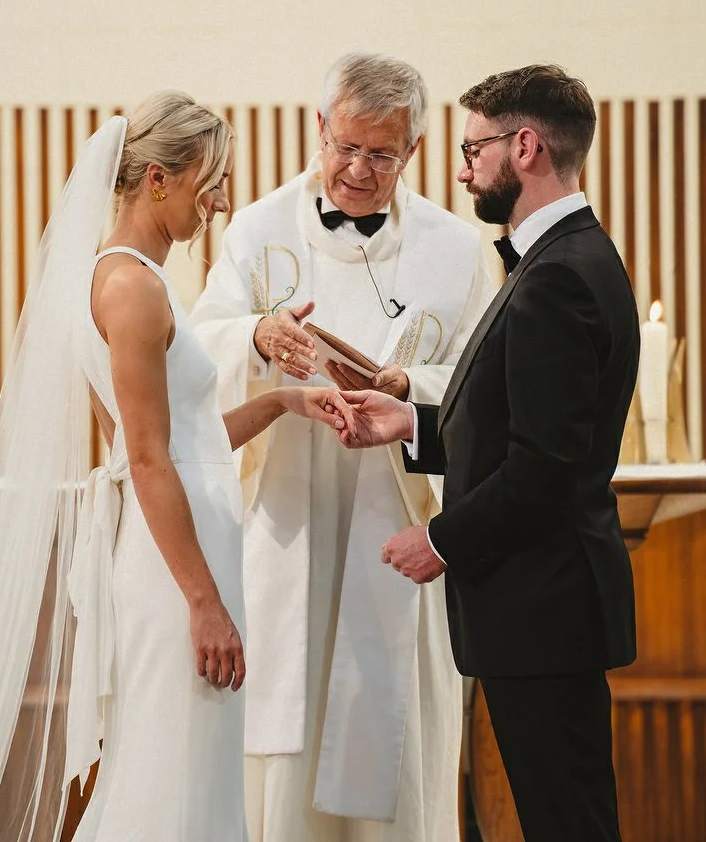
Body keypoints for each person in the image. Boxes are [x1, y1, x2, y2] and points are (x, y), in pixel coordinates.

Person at [0, 93, 353, 842]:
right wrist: (204, 602)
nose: (222, 201)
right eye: (211, 180)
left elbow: (183, 440)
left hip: (184, 547)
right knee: (171, 778)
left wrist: (284, 403)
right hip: (177, 568)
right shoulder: (130, 288)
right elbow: (146, 458)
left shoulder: (129, 280)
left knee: (190, 768)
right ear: (158, 179)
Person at [191, 53, 495, 841]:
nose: (358, 169)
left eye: (381, 154)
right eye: (345, 145)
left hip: (390, 518)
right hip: (286, 514)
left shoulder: (457, 251)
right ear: (318, 128)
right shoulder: (256, 230)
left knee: (385, 727)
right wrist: (258, 336)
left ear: (414, 151)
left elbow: (481, 380)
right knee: (285, 742)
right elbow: (193, 349)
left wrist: (403, 389)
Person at [335, 64, 640, 842]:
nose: (463, 167)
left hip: (542, 604)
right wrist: (411, 423)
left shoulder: (558, 279)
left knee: (567, 822)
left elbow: (545, 468)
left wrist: (439, 539)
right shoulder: (561, 258)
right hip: (544, 605)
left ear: (526, 146)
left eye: (474, 149)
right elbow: (524, 431)